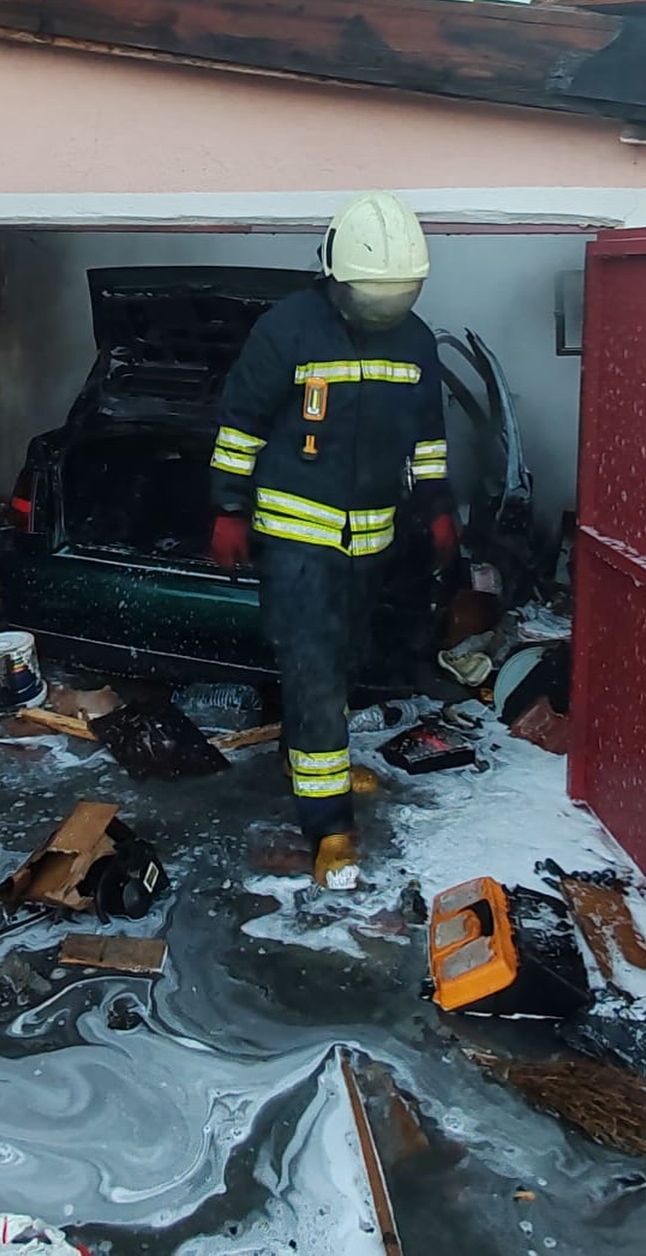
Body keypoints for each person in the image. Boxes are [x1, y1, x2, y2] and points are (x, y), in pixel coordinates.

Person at [207, 191, 457, 889]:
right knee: (313, 669)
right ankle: (329, 827)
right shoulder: (287, 330)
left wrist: (436, 504)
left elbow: (428, 438)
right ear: (335, 277)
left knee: (343, 662)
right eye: (373, 297)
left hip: (371, 540)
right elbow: (240, 427)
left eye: (398, 296)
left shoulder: (415, 341)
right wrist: (228, 508)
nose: (385, 310)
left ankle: (317, 761)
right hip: (297, 540)